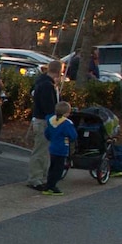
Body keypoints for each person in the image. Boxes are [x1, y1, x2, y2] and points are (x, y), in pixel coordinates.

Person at [26, 58, 60, 188]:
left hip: (40, 119)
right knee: (40, 150)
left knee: (44, 150)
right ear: (58, 71)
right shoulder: (47, 85)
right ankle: (35, 178)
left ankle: (41, 176)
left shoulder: (41, 82)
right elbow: (48, 105)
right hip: (44, 120)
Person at [38, 102, 77, 194]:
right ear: (66, 113)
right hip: (62, 148)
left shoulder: (51, 121)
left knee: (52, 168)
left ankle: (48, 185)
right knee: (58, 169)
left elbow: (47, 133)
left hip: (53, 147)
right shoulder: (67, 123)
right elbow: (73, 136)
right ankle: (52, 186)